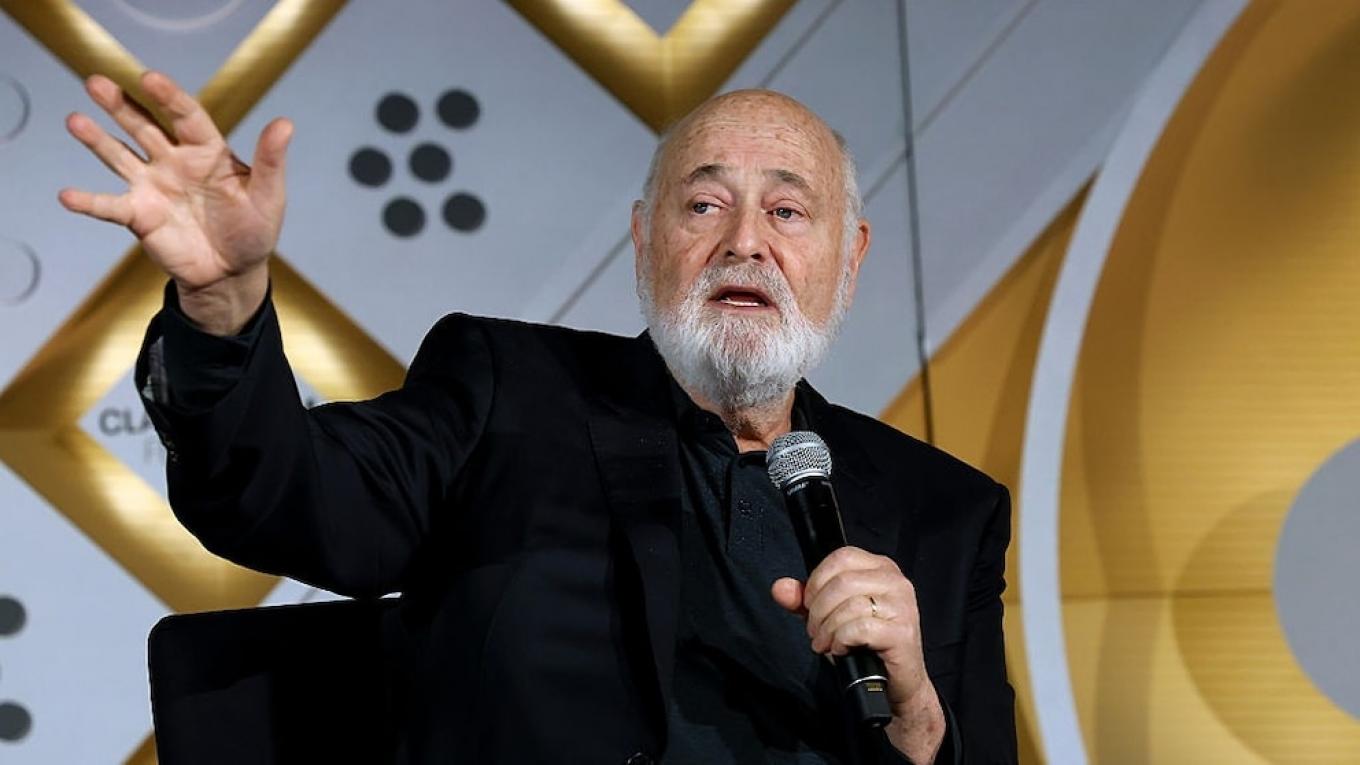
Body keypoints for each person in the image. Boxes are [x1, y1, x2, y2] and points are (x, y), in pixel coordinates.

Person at [61, 70, 1017, 764]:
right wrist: (224, 305)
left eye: (788, 213)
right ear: (645, 240)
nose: (744, 243)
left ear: (850, 257)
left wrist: (918, 712)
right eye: (704, 203)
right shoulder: (507, 390)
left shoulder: (946, 512)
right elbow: (284, 496)